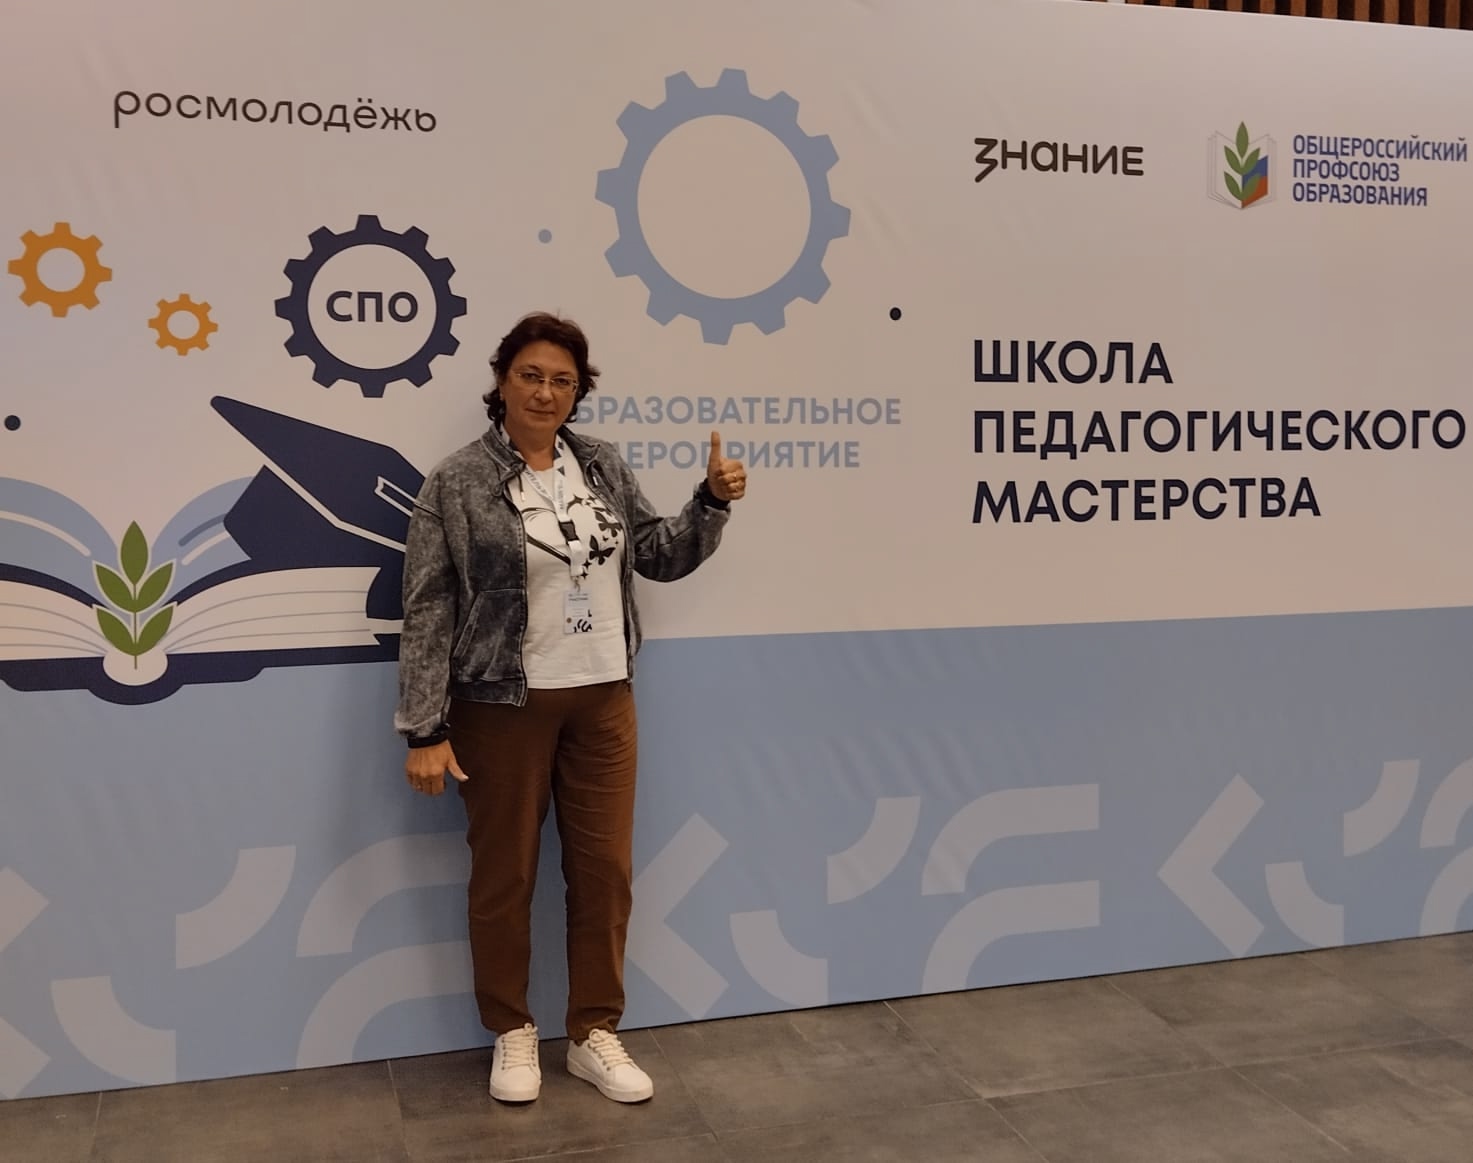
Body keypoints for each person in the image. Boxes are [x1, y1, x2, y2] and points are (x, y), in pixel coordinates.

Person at [394, 311, 745, 1105]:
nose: (545, 392)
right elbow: (428, 607)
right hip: (501, 705)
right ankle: (511, 1029)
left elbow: (657, 553)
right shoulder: (457, 480)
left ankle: (591, 1031)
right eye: (530, 375)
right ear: (501, 382)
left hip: (604, 700)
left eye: (562, 380)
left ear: (579, 391)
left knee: (605, 874)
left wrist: (710, 501)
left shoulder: (603, 465)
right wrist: (425, 727)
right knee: (504, 876)